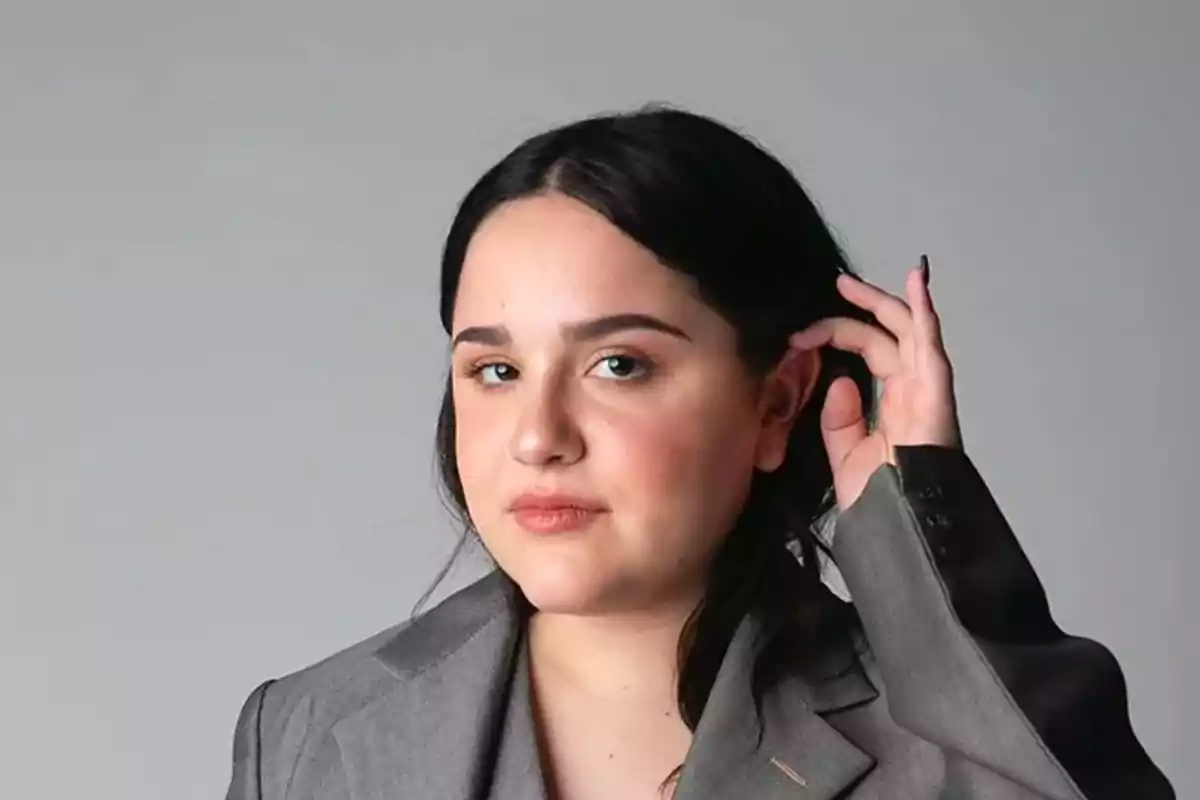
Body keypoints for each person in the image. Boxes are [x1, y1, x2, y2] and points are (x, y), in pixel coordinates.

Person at [224, 106, 1174, 799]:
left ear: (775, 404)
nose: (539, 437)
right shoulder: (307, 731)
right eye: (496, 371)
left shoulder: (942, 728)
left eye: (619, 363)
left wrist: (926, 518)